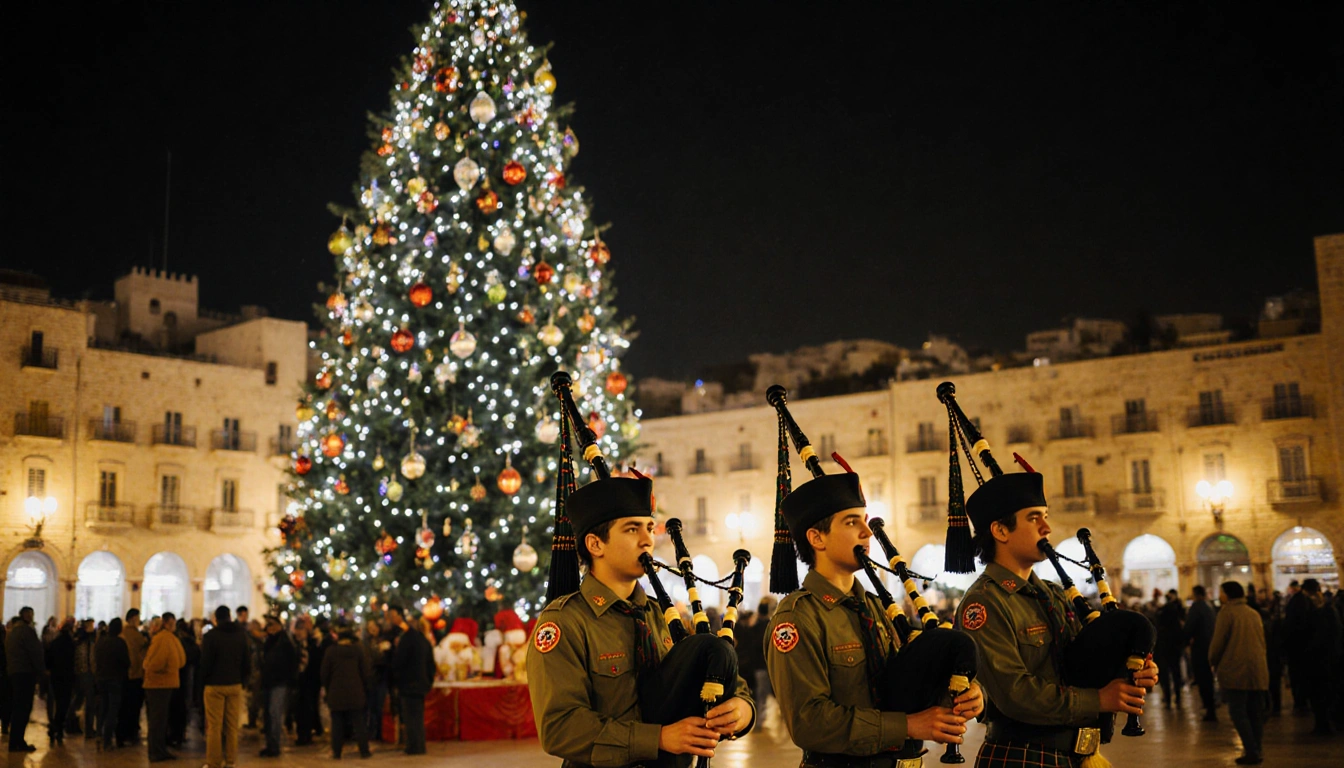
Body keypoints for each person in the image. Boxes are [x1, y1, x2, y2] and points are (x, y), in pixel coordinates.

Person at [528, 474, 756, 767]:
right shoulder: (565, 622)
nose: (648, 540)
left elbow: (724, 680)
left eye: (649, 527)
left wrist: (741, 711)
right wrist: (657, 738)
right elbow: (560, 729)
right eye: (632, 529)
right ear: (595, 544)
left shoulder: (662, 615)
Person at [952, 469, 1157, 768]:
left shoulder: (1053, 594)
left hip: (1075, 755)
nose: (1047, 527)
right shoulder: (984, 603)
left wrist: (1132, 668)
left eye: (1045, 515)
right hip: (1022, 756)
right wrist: (1098, 700)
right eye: (1034, 518)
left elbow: (1082, 663)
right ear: (1001, 531)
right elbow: (1015, 694)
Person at [1208, 581, 1269, 765]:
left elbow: (1218, 643)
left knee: (1238, 712)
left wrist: (1212, 661)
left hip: (1236, 669)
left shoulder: (1227, 612)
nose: (1219, 595)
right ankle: (1256, 749)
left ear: (1227, 594)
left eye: (1221, 592)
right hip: (1257, 669)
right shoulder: (1253, 613)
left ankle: (1250, 750)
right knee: (1254, 712)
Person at [201, 605, 250, 768]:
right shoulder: (241, 635)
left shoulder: (210, 636)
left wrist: (203, 681)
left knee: (214, 726)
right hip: (234, 684)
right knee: (231, 726)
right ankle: (231, 761)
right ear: (230, 617)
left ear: (216, 619)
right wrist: (242, 679)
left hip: (214, 685)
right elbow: (247, 661)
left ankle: (214, 762)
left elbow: (205, 663)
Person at [322, 623, 372, 759]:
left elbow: (325, 674)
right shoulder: (358, 650)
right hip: (356, 692)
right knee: (359, 722)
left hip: (336, 692)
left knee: (337, 724)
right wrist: (365, 687)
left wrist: (327, 688)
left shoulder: (331, 651)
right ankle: (364, 750)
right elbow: (365, 671)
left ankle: (337, 752)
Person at [143, 611, 186, 763]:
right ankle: (156, 751)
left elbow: (180, 660)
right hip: (158, 685)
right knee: (157, 720)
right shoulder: (163, 639)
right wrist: (169, 667)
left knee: (160, 720)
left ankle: (159, 749)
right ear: (167, 624)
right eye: (172, 623)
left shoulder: (168, 638)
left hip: (164, 684)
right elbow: (154, 663)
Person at [389, 607, 434, 755]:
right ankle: (419, 745)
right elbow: (431, 665)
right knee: (418, 716)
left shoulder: (406, 640)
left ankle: (414, 746)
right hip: (421, 684)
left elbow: (399, 662)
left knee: (410, 717)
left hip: (408, 684)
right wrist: (428, 682)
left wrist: (397, 679)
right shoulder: (424, 641)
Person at [1301, 579, 1342, 734]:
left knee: (1321, 693)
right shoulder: (1329, 612)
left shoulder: (1324, 613)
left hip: (1322, 659)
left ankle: (1324, 724)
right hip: (1327, 658)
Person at [4, 607, 43, 753]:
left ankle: (15, 741)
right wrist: (42, 672)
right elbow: (35, 652)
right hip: (25, 673)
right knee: (23, 708)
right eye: (31, 614)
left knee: (17, 708)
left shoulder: (13, 631)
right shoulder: (26, 631)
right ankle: (17, 742)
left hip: (14, 673)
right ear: (27, 615)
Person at [259, 615, 297, 757]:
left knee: (275, 713)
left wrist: (291, 681)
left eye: (273, 625)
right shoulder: (269, 641)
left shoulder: (285, 642)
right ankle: (270, 744)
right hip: (268, 682)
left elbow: (292, 662)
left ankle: (275, 745)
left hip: (280, 682)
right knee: (268, 714)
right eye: (269, 626)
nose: (271, 628)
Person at [95, 617, 130, 752]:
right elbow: (126, 662)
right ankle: (107, 740)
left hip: (101, 678)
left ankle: (99, 734)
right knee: (112, 710)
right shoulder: (119, 643)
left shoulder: (101, 642)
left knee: (103, 707)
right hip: (115, 679)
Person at [735, 599, 772, 722]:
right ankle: (758, 720)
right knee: (761, 694)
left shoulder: (754, 626)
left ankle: (756, 719)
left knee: (757, 693)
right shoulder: (768, 625)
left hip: (754, 665)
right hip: (763, 665)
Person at [1186, 585, 1218, 721]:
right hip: (1209, 645)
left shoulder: (1196, 607)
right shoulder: (1209, 607)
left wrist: (1185, 640)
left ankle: (1209, 707)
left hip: (1199, 647)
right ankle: (1211, 706)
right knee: (1208, 678)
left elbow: (1189, 628)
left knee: (1203, 678)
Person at [168, 616, 200, 748]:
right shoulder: (191, 644)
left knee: (174, 708)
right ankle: (180, 735)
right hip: (187, 680)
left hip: (176, 679)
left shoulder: (176, 642)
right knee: (182, 708)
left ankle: (174, 735)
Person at [44, 617, 76, 746]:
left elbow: (48, 659)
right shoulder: (70, 643)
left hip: (55, 676)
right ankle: (56, 728)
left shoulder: (55, 642)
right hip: (66, 677)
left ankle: (55, 727)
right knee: (64, 704)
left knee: (58, 703)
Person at [119, 608, 148, 746]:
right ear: (132, 618)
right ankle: (131, 731)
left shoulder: (122, 633)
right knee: (134, 706)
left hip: (125, 674)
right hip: (136, 674)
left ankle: (123, 732)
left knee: (125, 705)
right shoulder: (135, 635)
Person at [1154, 588, 1186, 708]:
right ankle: (1177, 696)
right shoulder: (1176, 624)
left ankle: (1167, 698)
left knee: (1165, 675)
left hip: (1163, 649)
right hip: (1174, 649)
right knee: (1176, 672)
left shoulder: (1161, 623)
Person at [362, 618, 390, 742]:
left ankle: (379, 732)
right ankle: (371, 731)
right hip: (369, 679)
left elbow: (384, 660)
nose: (373, 629)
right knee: (370, 707)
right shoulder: (365, 643)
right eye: (370, 626)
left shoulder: (384, 641)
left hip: (381, 678)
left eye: (375, 626)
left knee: (379, 707)